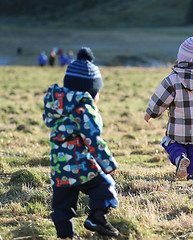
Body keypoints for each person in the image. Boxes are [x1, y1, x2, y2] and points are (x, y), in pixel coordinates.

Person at [42, 47, 120, 239]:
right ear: (91, 90)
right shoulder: (84, 109)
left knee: (62, 204)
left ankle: (66, 235)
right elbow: (94, 141)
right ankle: (96, 217)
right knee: (105, 185)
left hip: (59, 167)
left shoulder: (58, 107)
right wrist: (108, 164)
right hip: (81, 165)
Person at [144, 36, 193, 181]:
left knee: (171, 143)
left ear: (180, 58)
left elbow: (160, 99)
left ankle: (180, 159)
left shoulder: (172, 79)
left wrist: (151, 113)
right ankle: (192, 175)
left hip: (178, 127)